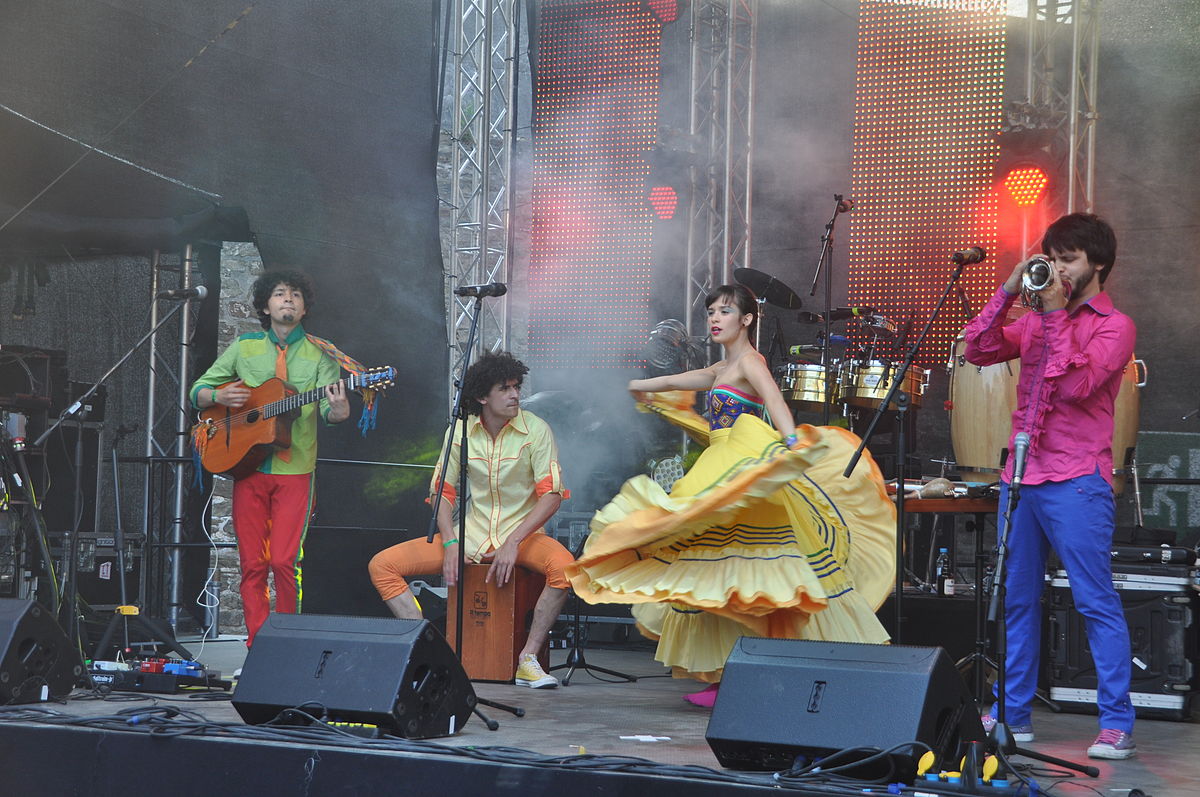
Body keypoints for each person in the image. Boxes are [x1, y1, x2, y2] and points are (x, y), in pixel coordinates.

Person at [566, 284, 896, 707]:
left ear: (747, 319)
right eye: (710, 313)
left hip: (743, 467)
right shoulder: (721, 370)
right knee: (720, 573)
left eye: (724, 311)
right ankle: (728, 673)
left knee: (750, 574)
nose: (715, 319)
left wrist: (792, 445)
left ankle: (760, 674)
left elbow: (777, 403)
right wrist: (640, 384)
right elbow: (675, 379)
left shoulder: (751, 362)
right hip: (720, 465)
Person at [963, 212, 1137, 760]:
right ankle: (1013, 715)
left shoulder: (1115, 325)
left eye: (1069, 259)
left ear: (1097, 265)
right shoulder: (1036, 319)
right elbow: (976, 349)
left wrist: (1056, 314)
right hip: (1021, 476)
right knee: (1016, 602)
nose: (1058, 268)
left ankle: (1116, 723)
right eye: (1053, 258)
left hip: (1077, 479)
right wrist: (1008, 290)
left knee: (1094, 600)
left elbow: (1079, 384)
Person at [368, 351, 572, 689]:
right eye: (505, 388)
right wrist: (449, 541)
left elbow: (551, 495)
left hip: (523, 537)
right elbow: (441, 493)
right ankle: (425, 655)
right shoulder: (460, 431)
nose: (515, 395)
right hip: (470, 536)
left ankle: (528, 659)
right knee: (382, 565)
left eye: (516, 386)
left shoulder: (536, 429)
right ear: (481, 396)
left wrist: (513, 541)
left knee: (565, 570)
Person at [190, 271, 351, 647]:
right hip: (249, 468)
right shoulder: (244, 348)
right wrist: (218, 396)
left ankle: (287, 641)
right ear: (266, 305)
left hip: (295, 470)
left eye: (295, 295)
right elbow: (198, 391)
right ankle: (258, 645)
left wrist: (340, 410)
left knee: (283, 560)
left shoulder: (322, 354)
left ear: (305, 307)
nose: (288, 300)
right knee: (252, 565)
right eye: (280, 294)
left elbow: (331, 412)